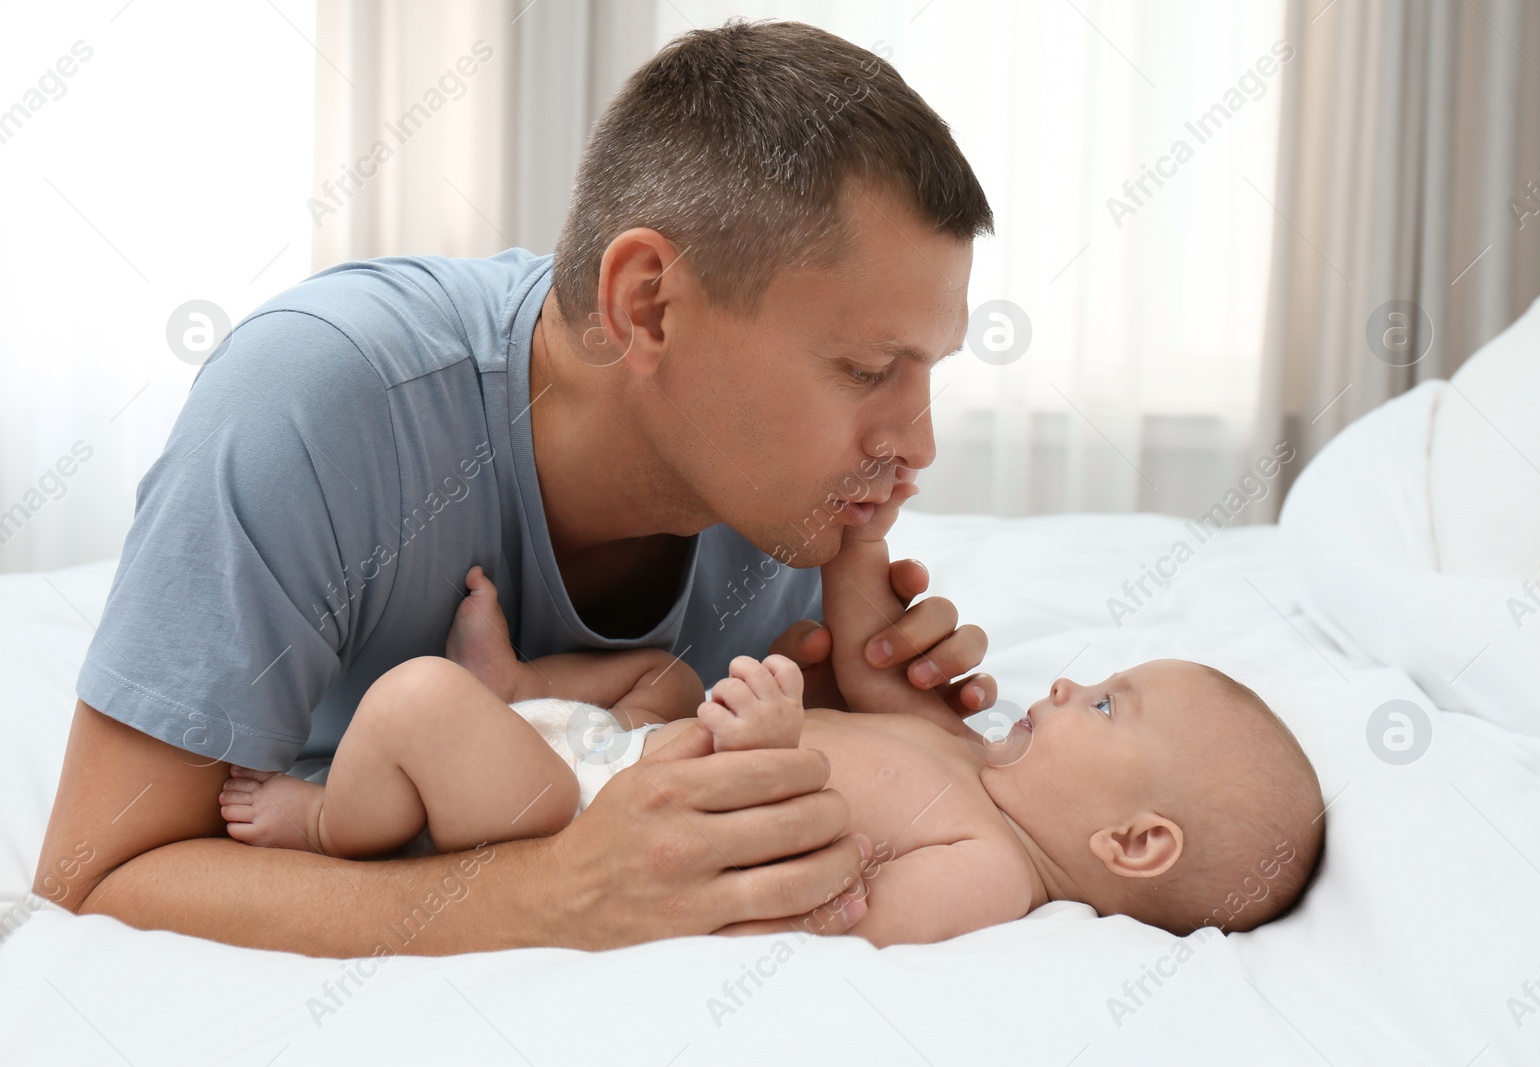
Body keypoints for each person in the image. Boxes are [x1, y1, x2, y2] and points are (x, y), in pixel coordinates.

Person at [32, 20, 1001, 955]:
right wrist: (545, 896)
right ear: (648, 306)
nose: (914, 445)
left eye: (928, 373)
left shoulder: (782, 510)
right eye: (870, 369)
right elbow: (92, 870)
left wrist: (860, 711)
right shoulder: (313, 407)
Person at [220, 475, 1325, 944]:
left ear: (1133, 840)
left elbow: (825, 907)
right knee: (654, 670)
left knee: (418, 697)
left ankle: (323, 822)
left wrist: (769, 752)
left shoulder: (991, 871)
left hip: (568, 818)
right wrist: (861, 533)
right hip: (618, 745)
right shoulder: (972, 751)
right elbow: (868, 647)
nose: (1071, 685)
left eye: (1109, 707)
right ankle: (518, 694)